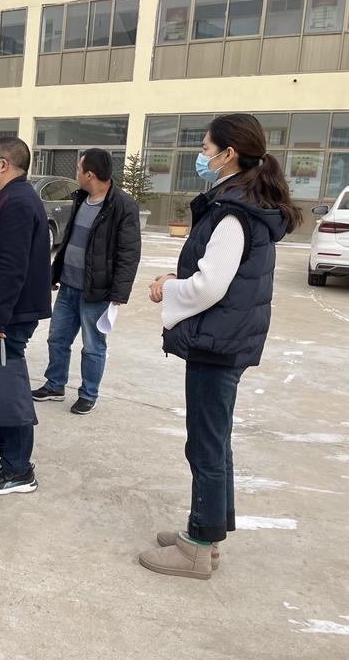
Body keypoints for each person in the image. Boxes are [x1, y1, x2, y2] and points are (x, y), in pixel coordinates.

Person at [140, 113, 302, 579]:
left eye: (206, 148)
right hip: (227, 338)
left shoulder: (234, 211)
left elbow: (210, 285)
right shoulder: (244, 201)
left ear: (229, 153)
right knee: (215, 442)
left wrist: (169, 287)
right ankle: (206, 533)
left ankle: (197, 546)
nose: (201, 156)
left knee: (206, 446)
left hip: (218, 343)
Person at [0, 137, 52, 494]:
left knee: (7, 384)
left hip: (8, 315)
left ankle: (18, 469)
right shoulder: (10, 197)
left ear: (3, 165)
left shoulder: (17, 202)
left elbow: (12, 267)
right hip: (0, 312)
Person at [33, 149, 141, 415]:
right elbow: (69, 241)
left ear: (90, 174)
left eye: (79, 169)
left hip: (97, 291)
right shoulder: (81, 198)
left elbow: (129, 253)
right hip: (68, 286)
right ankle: (55, 385)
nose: (77, 174)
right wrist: (54, 274)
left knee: (93, 346)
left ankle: (88, 394)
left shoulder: (122, 205)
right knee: (57, 339)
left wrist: (119, 293)